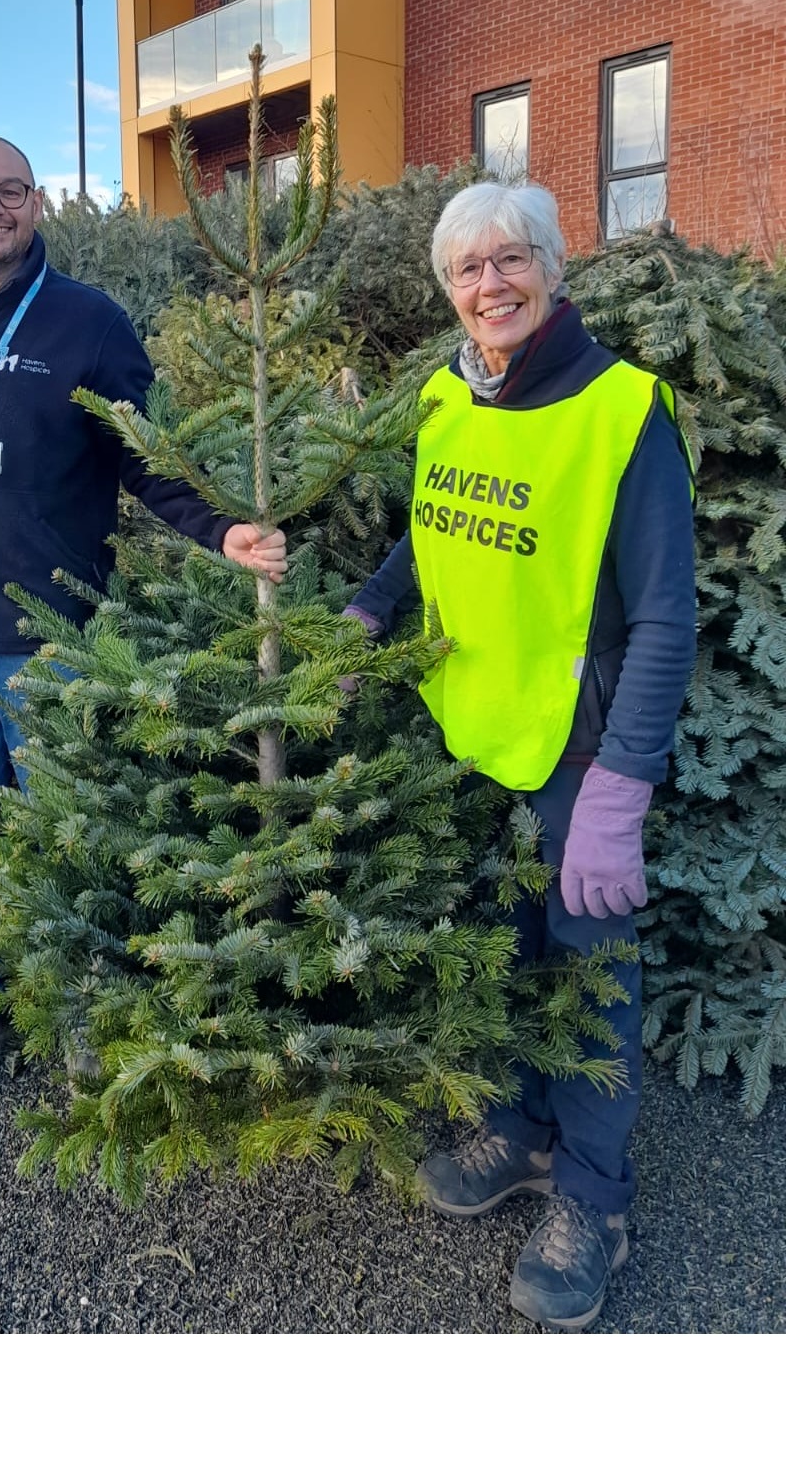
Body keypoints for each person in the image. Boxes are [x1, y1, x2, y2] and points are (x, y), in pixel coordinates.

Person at [344, 181, 695, 1330]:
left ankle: (595, 1200)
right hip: (473, 741)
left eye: (510, 261)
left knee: (589, 984)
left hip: (577, 757)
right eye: (466, 270)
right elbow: (428, 528)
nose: (489, 286)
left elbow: (664, 617)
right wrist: (360, 618)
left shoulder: (620, 410)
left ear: (553, 267)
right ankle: (520, 1131)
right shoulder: (449, 393)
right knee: (498, 963)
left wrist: (620, 786)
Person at [0, 136, 286, 1098]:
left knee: (71, 826)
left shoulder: (88, 320)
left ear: (38, 204)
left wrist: (218, 528)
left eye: (12, 191)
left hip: (53, 630)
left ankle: (79, 1011)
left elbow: (141, 453)